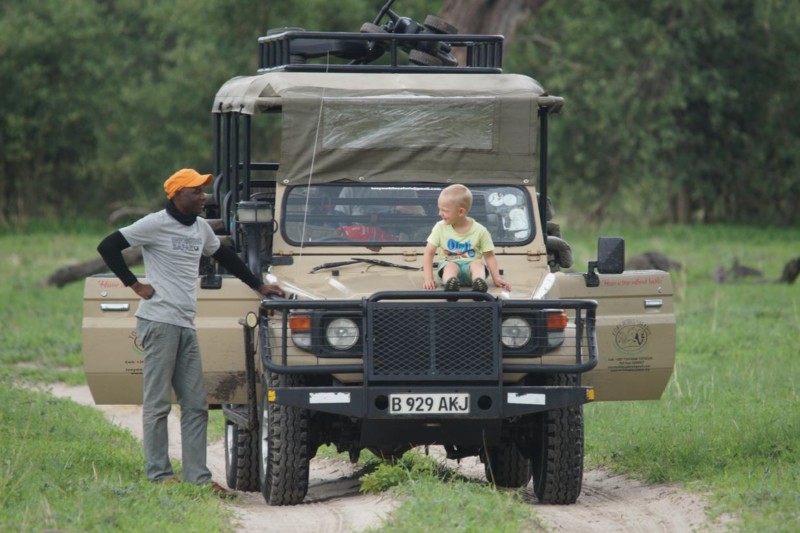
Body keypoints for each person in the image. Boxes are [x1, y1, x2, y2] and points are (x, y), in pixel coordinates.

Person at [97, 168, 285, 497]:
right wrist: (134, 284)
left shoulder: (200, 228)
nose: (203, 197)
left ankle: (197, 478)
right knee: (157, 403)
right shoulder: (154, 223)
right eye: (196, 191)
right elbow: (108, 246)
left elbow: (225, 256)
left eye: (204, 190)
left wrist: (259, 285)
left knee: (196, 404)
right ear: (177, 195)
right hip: (159, 321)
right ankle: (159, 474)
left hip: (185, 323)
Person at [422, 184, 511, 293]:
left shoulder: (480, 230)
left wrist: (496, 277)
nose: (440, 213)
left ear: (461, 212)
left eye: (444, 210)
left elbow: (489, 255)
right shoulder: (440, 228)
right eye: (440, 209)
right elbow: (429, 252)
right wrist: (429, 279)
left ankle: (478, 284)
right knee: (450, 266)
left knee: (478, 264)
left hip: (471, 270)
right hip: (450, 265)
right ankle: (451, 286)